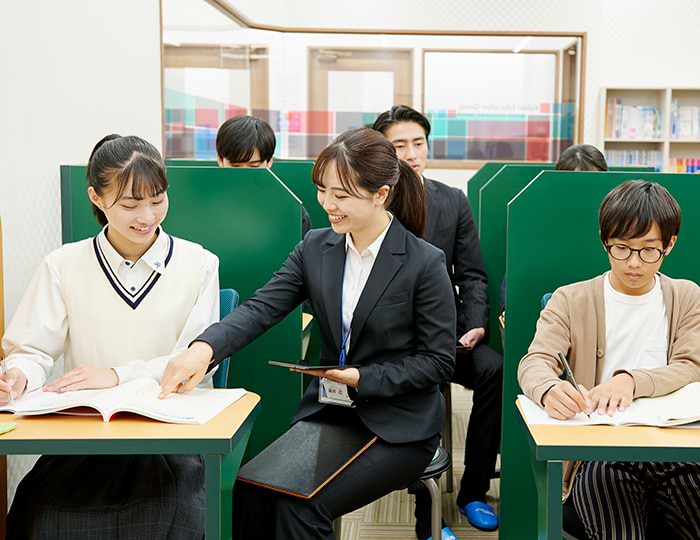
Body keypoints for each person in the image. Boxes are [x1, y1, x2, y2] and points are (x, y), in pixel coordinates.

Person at [159, 127, 457, 540]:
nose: (327, 205)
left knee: (301, 506)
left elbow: (439, 362)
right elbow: (260, 308)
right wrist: (204, 349)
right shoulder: (316, 249)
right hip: (332, 414)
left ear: (380, 195)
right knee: (249, 490)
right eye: (322, 190)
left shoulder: (424, 263)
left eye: (341, 195)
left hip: (398, 424)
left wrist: (362, 378)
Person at [1, 134, 220, 539]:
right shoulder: (63, 264)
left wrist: (117, 374)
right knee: (43, 520)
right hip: (84, 444)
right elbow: (31, 349)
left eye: (157, 199)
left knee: (169, 521)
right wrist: (17, 376)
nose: (148, 216)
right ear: (98, 199)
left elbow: (195, 363)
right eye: (131, 204)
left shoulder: (199, 264)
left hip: (167, 441)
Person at [518, 180, 700, 539]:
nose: (634, 263)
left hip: (674, 450)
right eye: (621, 248)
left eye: (649, 250)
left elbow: (690, 365)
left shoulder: (686, 296)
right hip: (600, 455)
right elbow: (535, 360)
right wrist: (549, 388)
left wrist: (630, 381)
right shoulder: (571, 299)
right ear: (605, 240)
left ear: (670, 244)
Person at [372, 105, 501, 536]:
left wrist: (476, 322)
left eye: (418, 143)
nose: (411, 153)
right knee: (422, 387)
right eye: (398, 145)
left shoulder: (452, 199)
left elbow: (472, 274)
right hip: (398, 343)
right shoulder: (376, 202)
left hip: (449, 335)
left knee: (494, 372)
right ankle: (426, 518)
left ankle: (473, 492)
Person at [500, 144, 608, 314]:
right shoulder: (537, 220)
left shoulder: (615, 222)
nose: (581, 192)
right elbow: (515, 281)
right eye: (572, 184)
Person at [216, 114, 312, 236]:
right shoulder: (201, 205)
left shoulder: (291, 211)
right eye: (235, 166)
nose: (244, 175)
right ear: (220, 160)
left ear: (269, 162)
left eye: (254, 167)